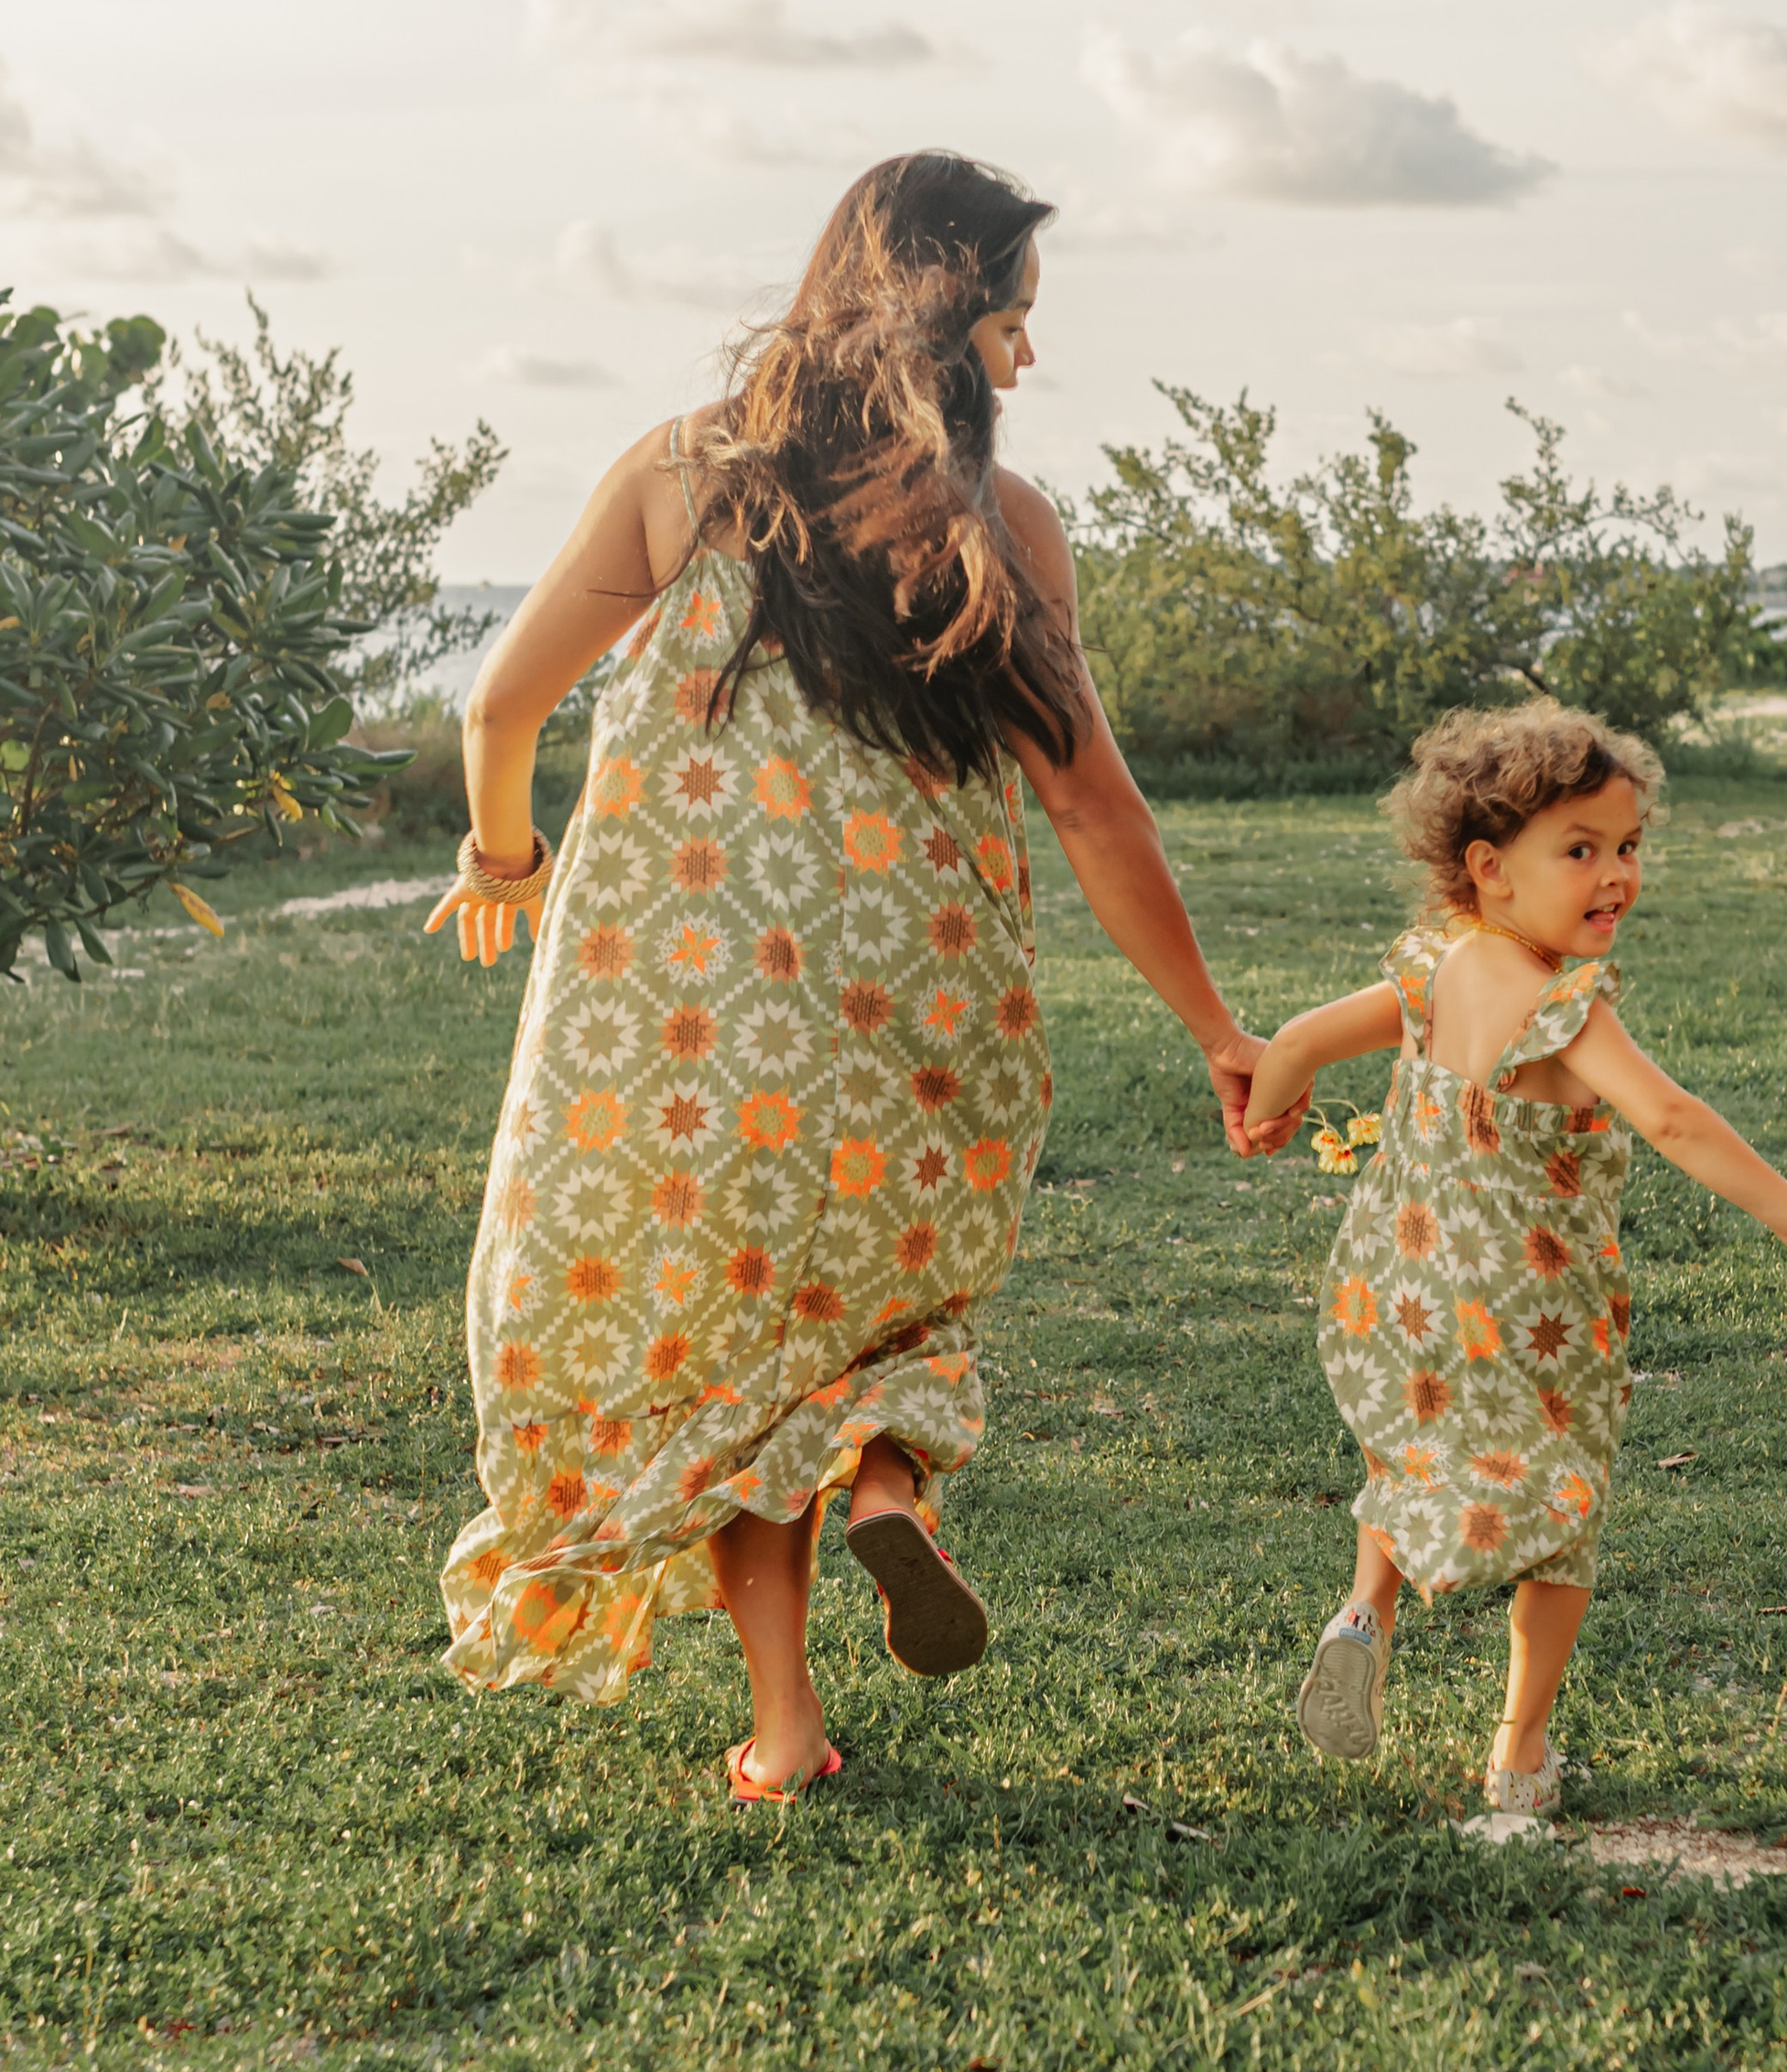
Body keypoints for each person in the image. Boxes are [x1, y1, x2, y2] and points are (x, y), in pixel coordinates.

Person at [428, 153, 1280, 1798]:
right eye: (1014, 320)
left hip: (688, 1026)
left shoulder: (683, 479)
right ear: (949, 318)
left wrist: (503, 860)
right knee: (883, 1314)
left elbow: (499, 708)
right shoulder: (1002, 527)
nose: (1026, 354)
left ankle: (784, 1730)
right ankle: (886, 1484)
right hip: (928, 1008)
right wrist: (1216, 1027)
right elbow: (1092, 806)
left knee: (739, 1363)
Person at [1239, 701, 1787, 1818]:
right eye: (1579, 851)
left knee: (1414, 1445)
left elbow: (1293, 1042)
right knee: (1562, 1519)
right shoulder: (1562, 1008)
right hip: (1535, 1313)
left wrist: (1266, 1115)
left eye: (1628, 846)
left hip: (1404, 1287)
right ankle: (1519, 1754)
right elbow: (1671, 1120)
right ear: (1490, 869)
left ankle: (1367, 1610)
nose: (1615, 875)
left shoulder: (1436, 969)